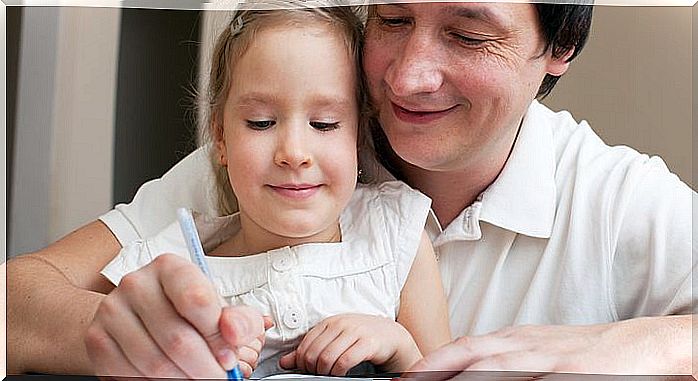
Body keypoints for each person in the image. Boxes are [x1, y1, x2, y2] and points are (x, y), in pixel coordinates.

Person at [8, 0, 695, 378]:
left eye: (466, 33)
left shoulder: (618, 201)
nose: (405, 78)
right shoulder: (273, 167)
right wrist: (112, 331)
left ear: (559, 46)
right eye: (392, 21)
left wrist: (648, 346)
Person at [93, 5, 449, 379]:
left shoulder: (396, 236)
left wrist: (400, 349)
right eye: (261, 123)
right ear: (220, 137)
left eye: (324, 124)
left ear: (358, 134)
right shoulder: (168, 264)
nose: (294, 153)